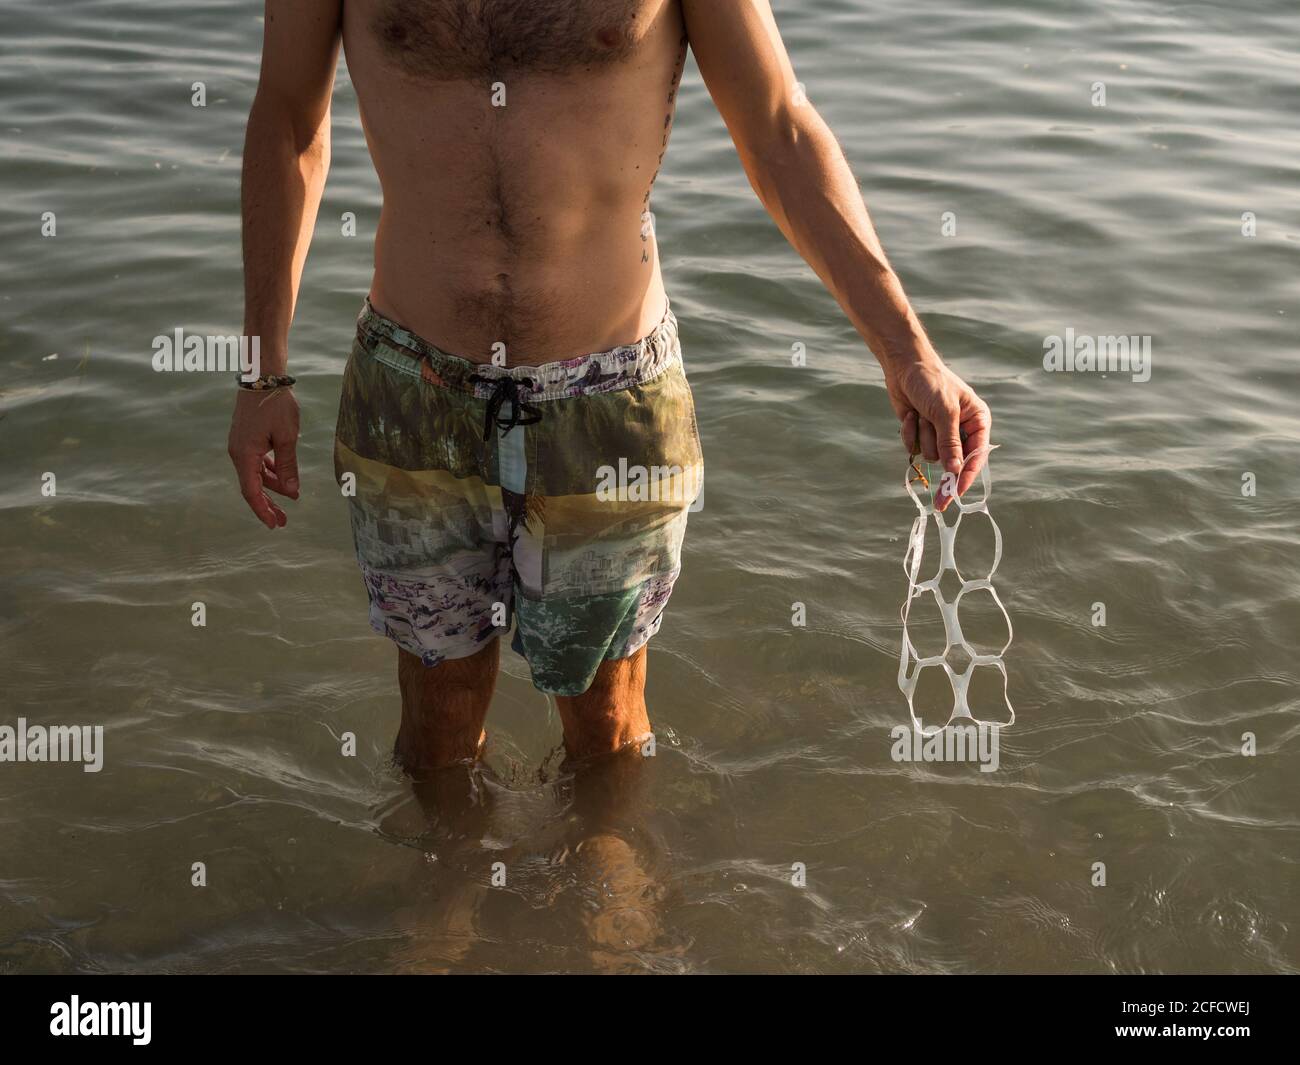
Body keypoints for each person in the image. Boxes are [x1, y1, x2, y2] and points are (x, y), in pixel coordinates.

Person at [228, 0, 993, 774]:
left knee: (608, 729)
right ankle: (447, 886)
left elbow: (778, 129)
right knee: (436, 726)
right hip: (412, 384)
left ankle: (606, 891)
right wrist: (262, 371)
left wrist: (907, 350)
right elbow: (289, 119)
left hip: (610, 392)